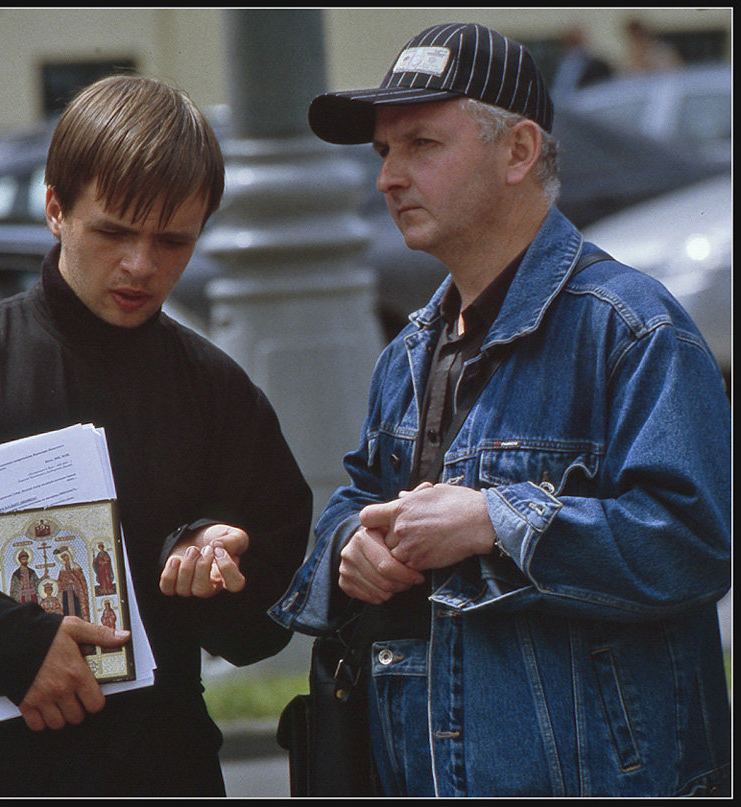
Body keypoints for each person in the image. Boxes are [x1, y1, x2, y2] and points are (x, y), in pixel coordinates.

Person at [271, 23, 730, 797]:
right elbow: (359, 496)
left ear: (518, 152)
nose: (387, 177)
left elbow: (691, 545)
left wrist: (492, 518)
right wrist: (351, 542)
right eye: (384, 152)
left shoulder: (629, 327)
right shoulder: (410, 349)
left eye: (420, 144)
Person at [0, 74, 312, 796]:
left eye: (173, 240)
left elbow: (267, 622)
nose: (141, 265)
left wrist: (216, 567)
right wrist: (6, 640)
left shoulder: (216, 392)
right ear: (55, 208)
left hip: (156, 770)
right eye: (115, 230)